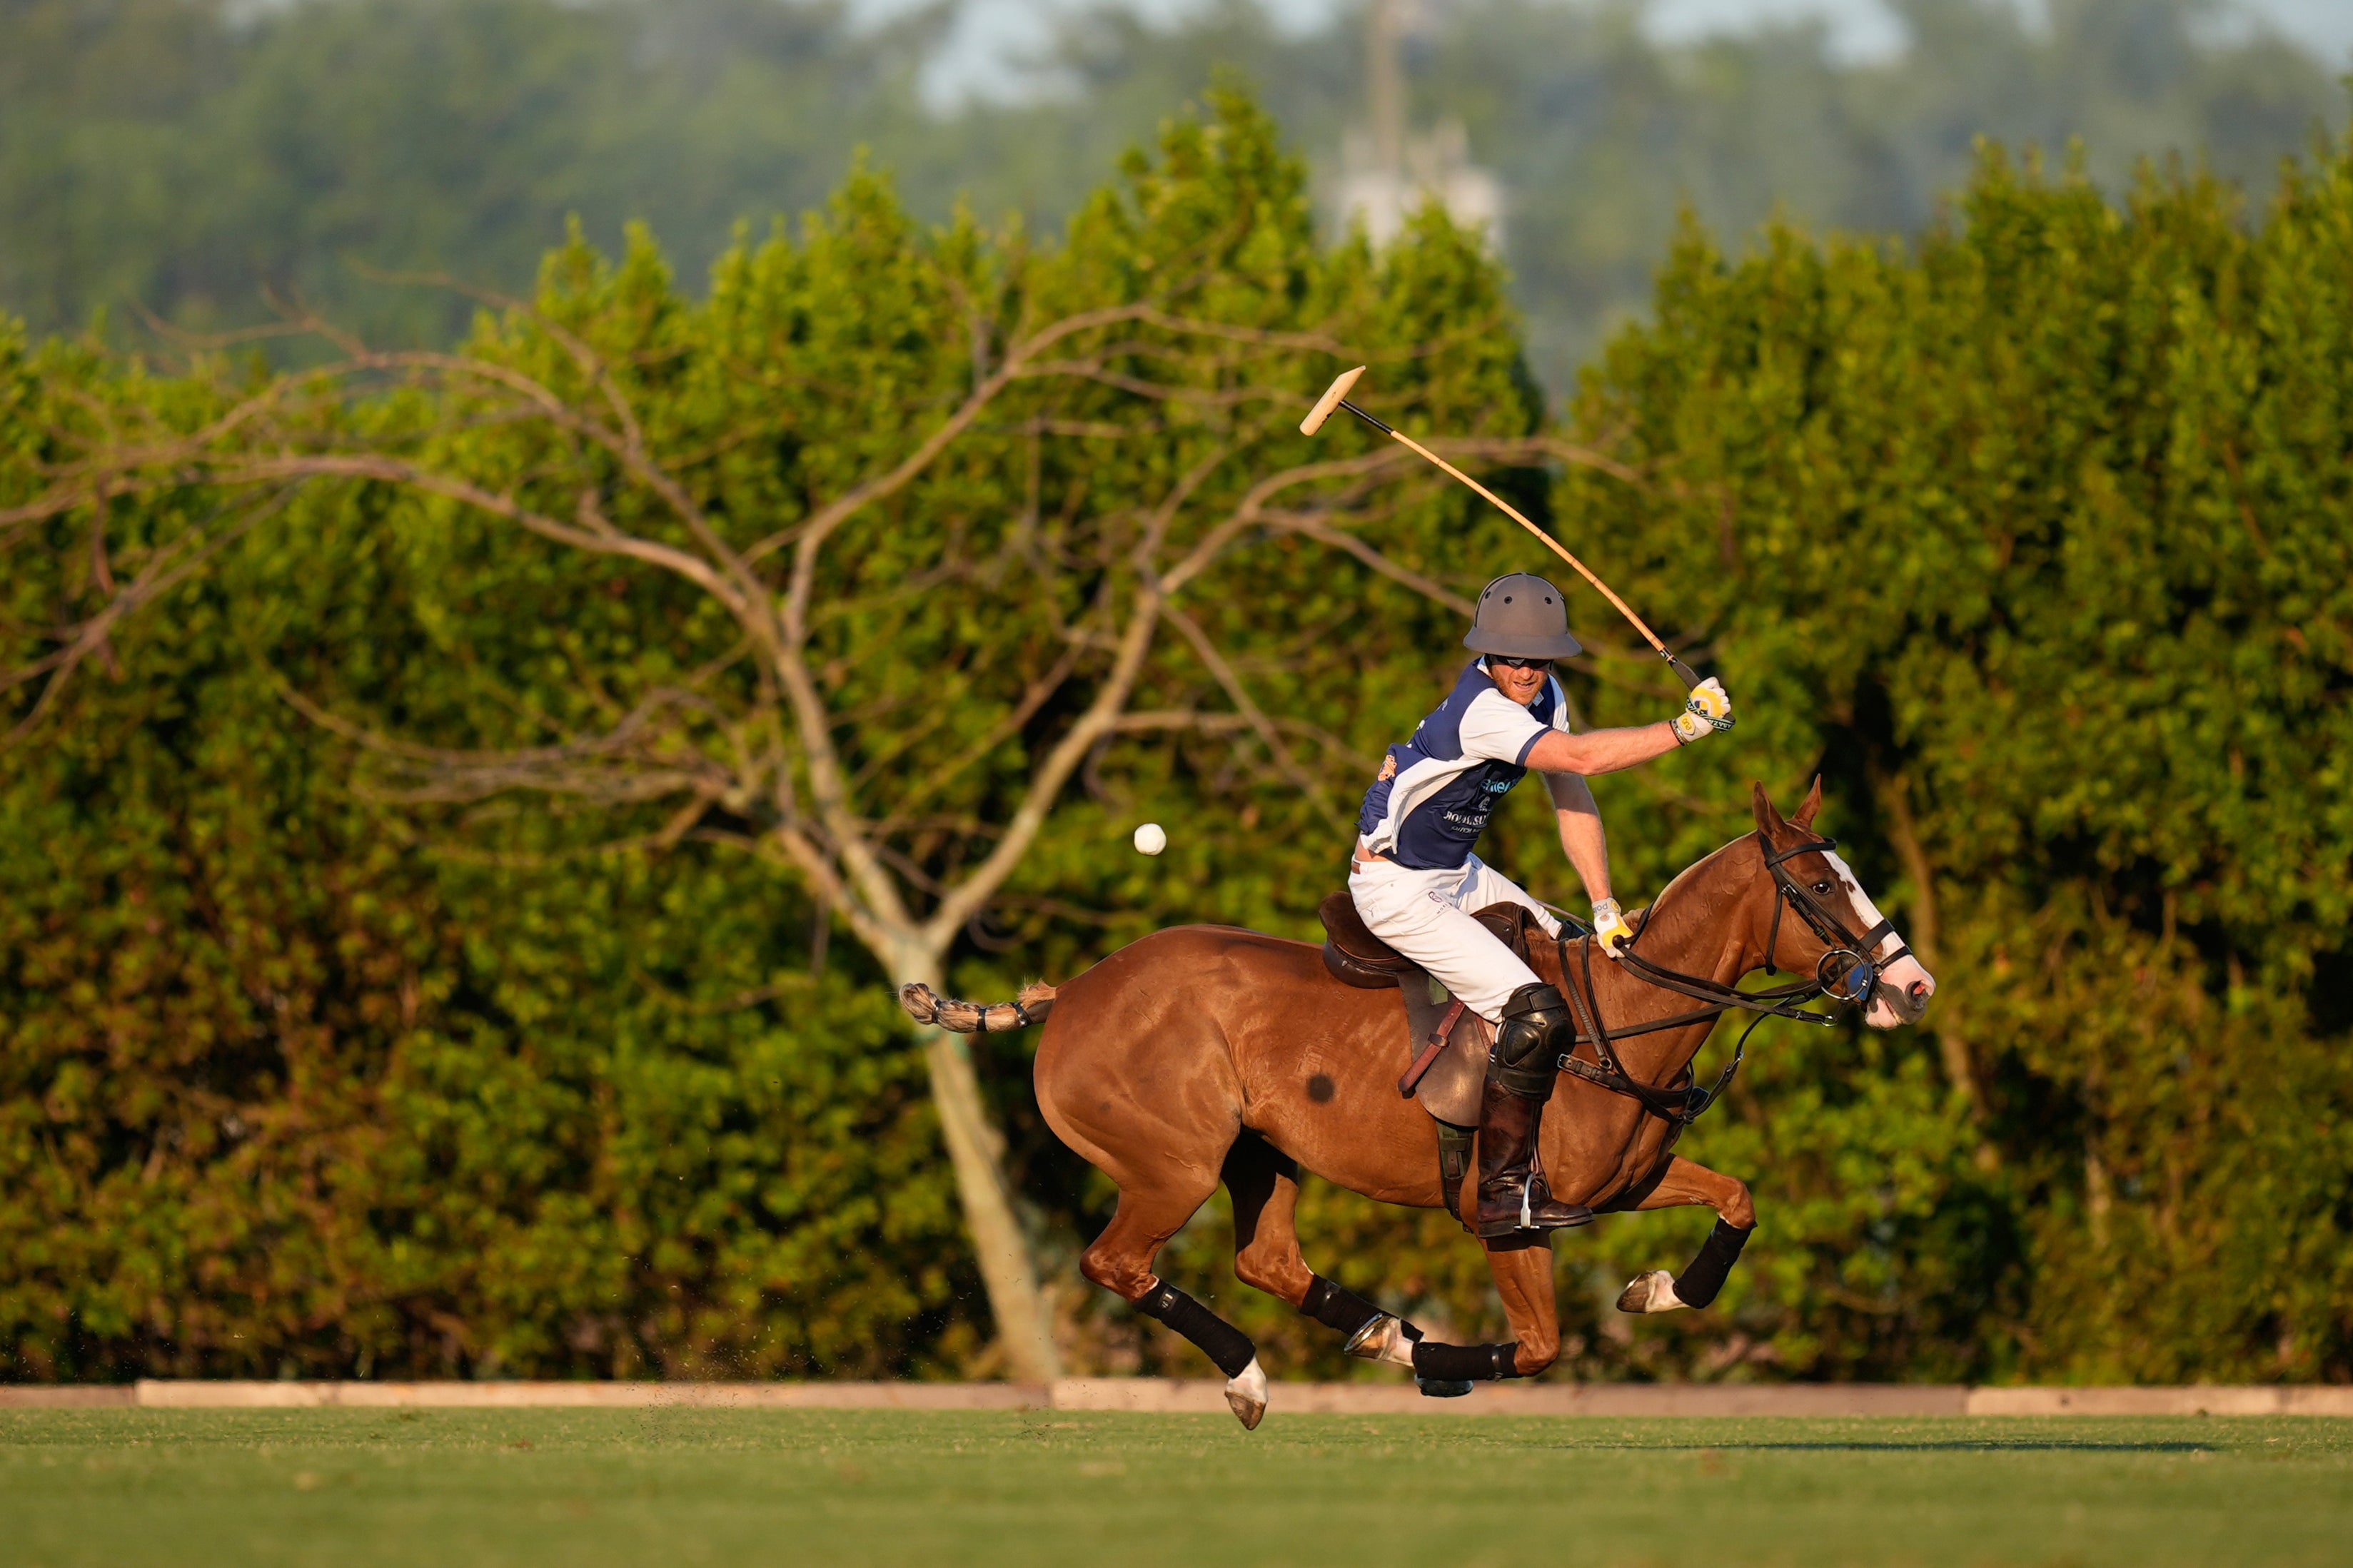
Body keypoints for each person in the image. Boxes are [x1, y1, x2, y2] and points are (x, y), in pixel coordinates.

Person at [1351, 572, 1733, 1237]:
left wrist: (1605, 903)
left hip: (1455, 871)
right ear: (1488, 653)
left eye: (1539, 658)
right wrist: (1684, 728)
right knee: (1534, 1008)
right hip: (1397, 887)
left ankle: (1616, 1110)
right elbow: (1582, 759)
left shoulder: (1545, 694)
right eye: (1512, 657)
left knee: (1582, 955)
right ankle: (1503, 1191)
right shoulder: (1483, 711)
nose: (1526, 671)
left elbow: (1570, 794)